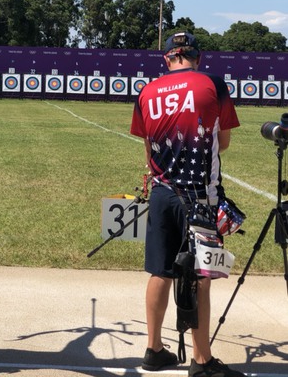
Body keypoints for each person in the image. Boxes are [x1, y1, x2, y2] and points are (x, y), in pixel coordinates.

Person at [130, 32, 244, 377]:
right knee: (202, 276)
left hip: (163, 193)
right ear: (198, 56)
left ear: (167, 59)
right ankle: (201, 360)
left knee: (160, 271)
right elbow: (222, 143)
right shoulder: (213, 84)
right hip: (200, 194)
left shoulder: (147, 92)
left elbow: (148, 149)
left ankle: (153, 350)